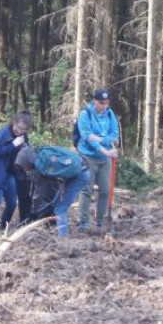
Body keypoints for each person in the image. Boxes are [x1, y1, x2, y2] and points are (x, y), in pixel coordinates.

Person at [15, 146, 90, 236]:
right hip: (81, 169)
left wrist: (35, 212)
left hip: (79, 176)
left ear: (27, 162)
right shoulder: (43, 153)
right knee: (57, 204)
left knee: (60, 208)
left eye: (24, 167)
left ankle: (63, 236)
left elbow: (41, 192)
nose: (25, 170)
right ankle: (61, 232)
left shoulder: (41, 166)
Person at [76, 88, 119, 232]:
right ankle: (83, 222)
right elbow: (87, 137)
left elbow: (115, 137)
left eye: (107, 103)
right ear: (95, 101)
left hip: (105, 159)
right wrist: (104, 149)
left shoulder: (110, 114)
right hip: (88, 156)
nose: (104, 106)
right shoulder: (85, 115)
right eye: (101, 103)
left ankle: (101, 221)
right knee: (86, 190)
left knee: (105, 190)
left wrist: (101, 139)